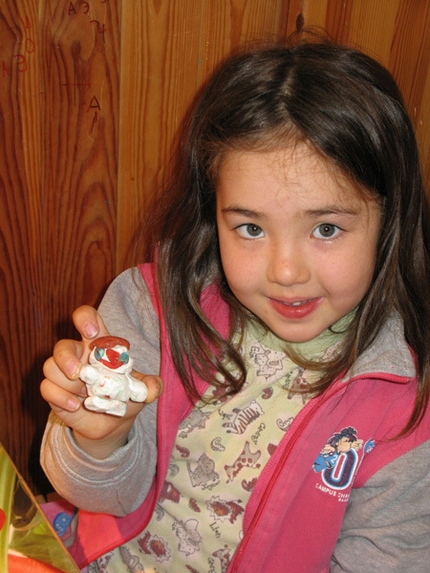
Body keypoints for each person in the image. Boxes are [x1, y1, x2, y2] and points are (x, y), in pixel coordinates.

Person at [40, 35, 430, 573]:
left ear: (389, 218)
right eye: (249, 227)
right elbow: (99, 498)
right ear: (213, 211)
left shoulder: (404, 409)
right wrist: (100, 438)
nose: (286, 272)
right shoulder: (150, 309)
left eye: (326, 228)